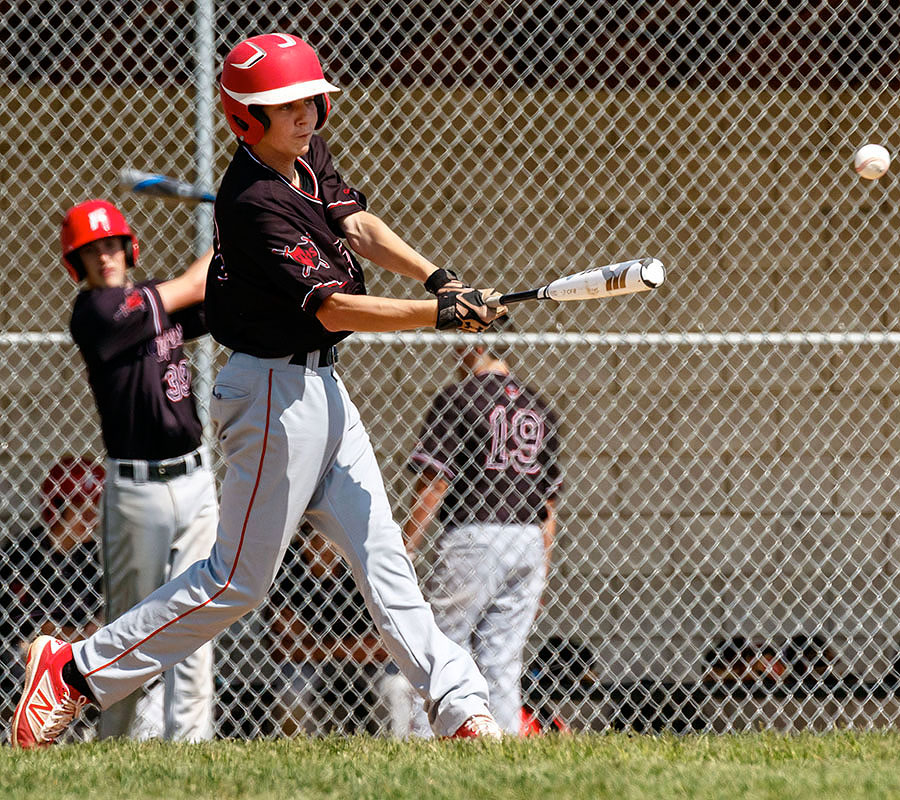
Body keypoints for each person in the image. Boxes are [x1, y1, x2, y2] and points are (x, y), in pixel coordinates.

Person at [12, 32, 507, 749]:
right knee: (235, 583)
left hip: (323, 388)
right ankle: (73, 672)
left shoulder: (303, 159)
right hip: (272, 394)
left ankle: (461, 709)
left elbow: (355, 224)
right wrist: (438, 316)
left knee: (383, 557)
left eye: (310, 98)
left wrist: (439, 279)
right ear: (247, 119)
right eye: (284, 105)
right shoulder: (250, 204)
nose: (306, 113)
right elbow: (334, 309)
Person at [55, 200, 218, 742]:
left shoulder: (150, 301)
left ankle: (190, 744)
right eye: (92, 250)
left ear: (128, 247)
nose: (105, 256)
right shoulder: (95, 313)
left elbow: (212, 293)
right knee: (129, 626)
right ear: (75, 262)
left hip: (195, 478)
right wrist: (235, 220)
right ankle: (113, 741)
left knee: (197, 618)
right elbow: (192, 285)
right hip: (138, 489)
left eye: (111, 245)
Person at [402, 333, 563, 735]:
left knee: (439, 645)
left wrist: (404, 546)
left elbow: (435, 483)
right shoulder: (539, 405)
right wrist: (543, 567)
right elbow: (549, 506)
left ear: (473, 347)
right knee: (503, 658)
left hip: (476, 531)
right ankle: (505, 744)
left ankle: (424, 742)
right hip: (527, 537)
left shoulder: (460, 397)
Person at [0, 457, 104, 738]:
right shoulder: (21, 555)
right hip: (24, 655)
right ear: (56, 506)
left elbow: (100, 626)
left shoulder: (99, 559)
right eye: (80, 508)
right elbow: (24, 635)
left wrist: (62, 637)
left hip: (79, 655)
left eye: (95, 508)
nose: (90, 518)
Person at [269, 526, 407, 737]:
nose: (325, 554)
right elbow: (282, 650)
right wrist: (353, 646)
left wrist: (309, 642)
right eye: (316, 544)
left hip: (361, 664)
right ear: (304, 544)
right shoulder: (286, 566)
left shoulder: (361, 563)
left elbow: (384, 647)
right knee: (292, 690)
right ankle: (301, 751)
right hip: (310, 665)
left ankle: (395, 746)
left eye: (332, 545)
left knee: (396, 686)